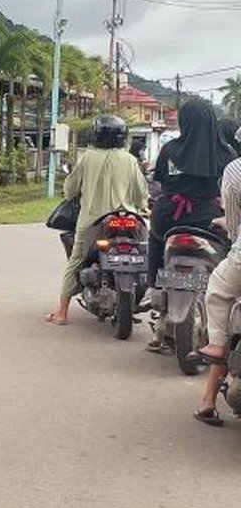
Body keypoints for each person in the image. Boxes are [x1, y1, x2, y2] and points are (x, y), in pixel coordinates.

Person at [145, 98, 236, 351]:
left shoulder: (169, 149)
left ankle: (154, 287)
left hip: (168, 217)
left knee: (154, 238)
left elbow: (160, 182)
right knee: (230, 251)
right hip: (208, 220)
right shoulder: (225, 153)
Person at [47, 115, 149, 325]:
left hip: (93, 222)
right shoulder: (130, 160)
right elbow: (141, 194)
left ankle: (62, 312)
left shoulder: (87, 157)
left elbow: (70, 190)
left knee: (75, 261)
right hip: (128, 220)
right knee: (143, 252)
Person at [190, 122, 241, 426]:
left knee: (219, 293)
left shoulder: (234, 170)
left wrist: (230, 226)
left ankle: (218, 346)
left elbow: (234, 224)